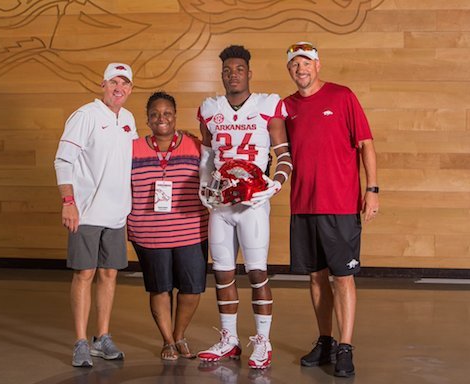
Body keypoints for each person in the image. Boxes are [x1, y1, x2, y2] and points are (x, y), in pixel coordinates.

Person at [283, 42, 379, 378]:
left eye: (306, 63)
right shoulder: (286, 107)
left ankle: (345, 346)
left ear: (318, 65)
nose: (301, 70)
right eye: (295, 65)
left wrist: (372, 189)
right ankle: (325, 341)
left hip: (340, 205)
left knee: (343, 277)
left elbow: (366, 144)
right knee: (315, 277)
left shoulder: (342, 97)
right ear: (289, 70)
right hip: (304, 205)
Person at [196, 45, 293, 369]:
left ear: (248, 72)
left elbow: (284, 155)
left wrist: (273, 186)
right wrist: (204, 186)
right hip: (222, 204)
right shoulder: (210, 109)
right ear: (221, 74)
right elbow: (208, 157)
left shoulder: (268, 105)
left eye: (238, 69)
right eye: (227, 70)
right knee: (222, 274)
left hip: (252, 204)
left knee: (257, 273)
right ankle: (229, 339)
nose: (232, 74)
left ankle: (263, 342)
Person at [54, 63, 137, 367]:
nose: (119, 88)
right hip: (86, 212)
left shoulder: (128, 119)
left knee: (109, 274)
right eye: (114, 82)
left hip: (116, 215)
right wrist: (68, 201)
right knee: (84, 274)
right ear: (102, 84)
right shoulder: (85, 116)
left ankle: (101, 338)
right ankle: (79, 342)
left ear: (130, 89)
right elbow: (63, 160)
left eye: (125, 83)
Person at [127, 91, 209, 361]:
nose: (161, 118)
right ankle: (167, 341)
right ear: (147, 119)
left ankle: (180, 334)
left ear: (175, 116)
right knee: (159, 287)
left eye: (167, 113)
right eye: (155, 114)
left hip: (191, 230)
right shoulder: (133, 148)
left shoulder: (195, 146)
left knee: (191, 287)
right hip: (149, 232)